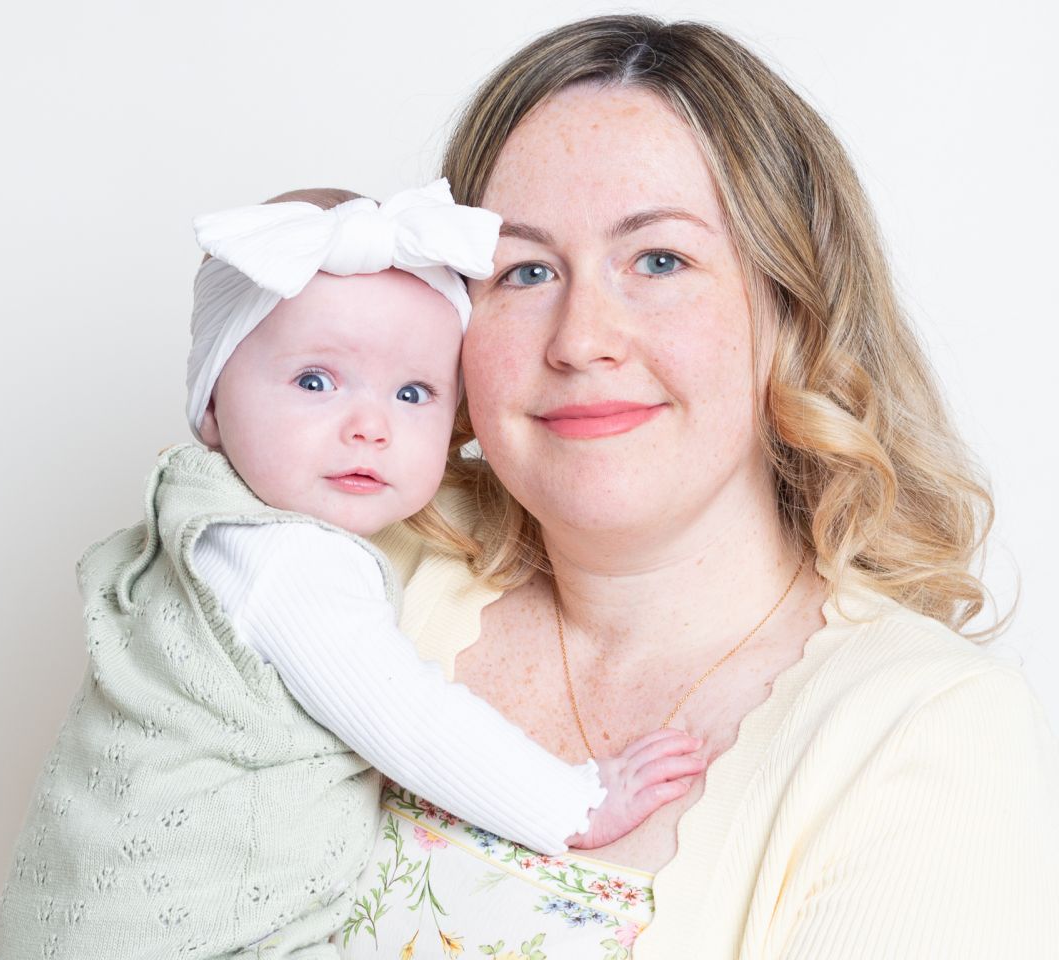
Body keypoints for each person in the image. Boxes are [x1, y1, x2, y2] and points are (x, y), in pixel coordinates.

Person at [339, 16, 1059, 960]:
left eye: (659, 260)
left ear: (792, 307)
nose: (580, 337)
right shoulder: (351, 573)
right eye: (524, 270)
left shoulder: (930, 738)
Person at [0, 180, 705, 960]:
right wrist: (573, 802)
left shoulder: (197, 519)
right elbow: (411, 720)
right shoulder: (287, 559)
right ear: (211, 407)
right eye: (314, 382)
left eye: (413, 392)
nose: (370, 426)